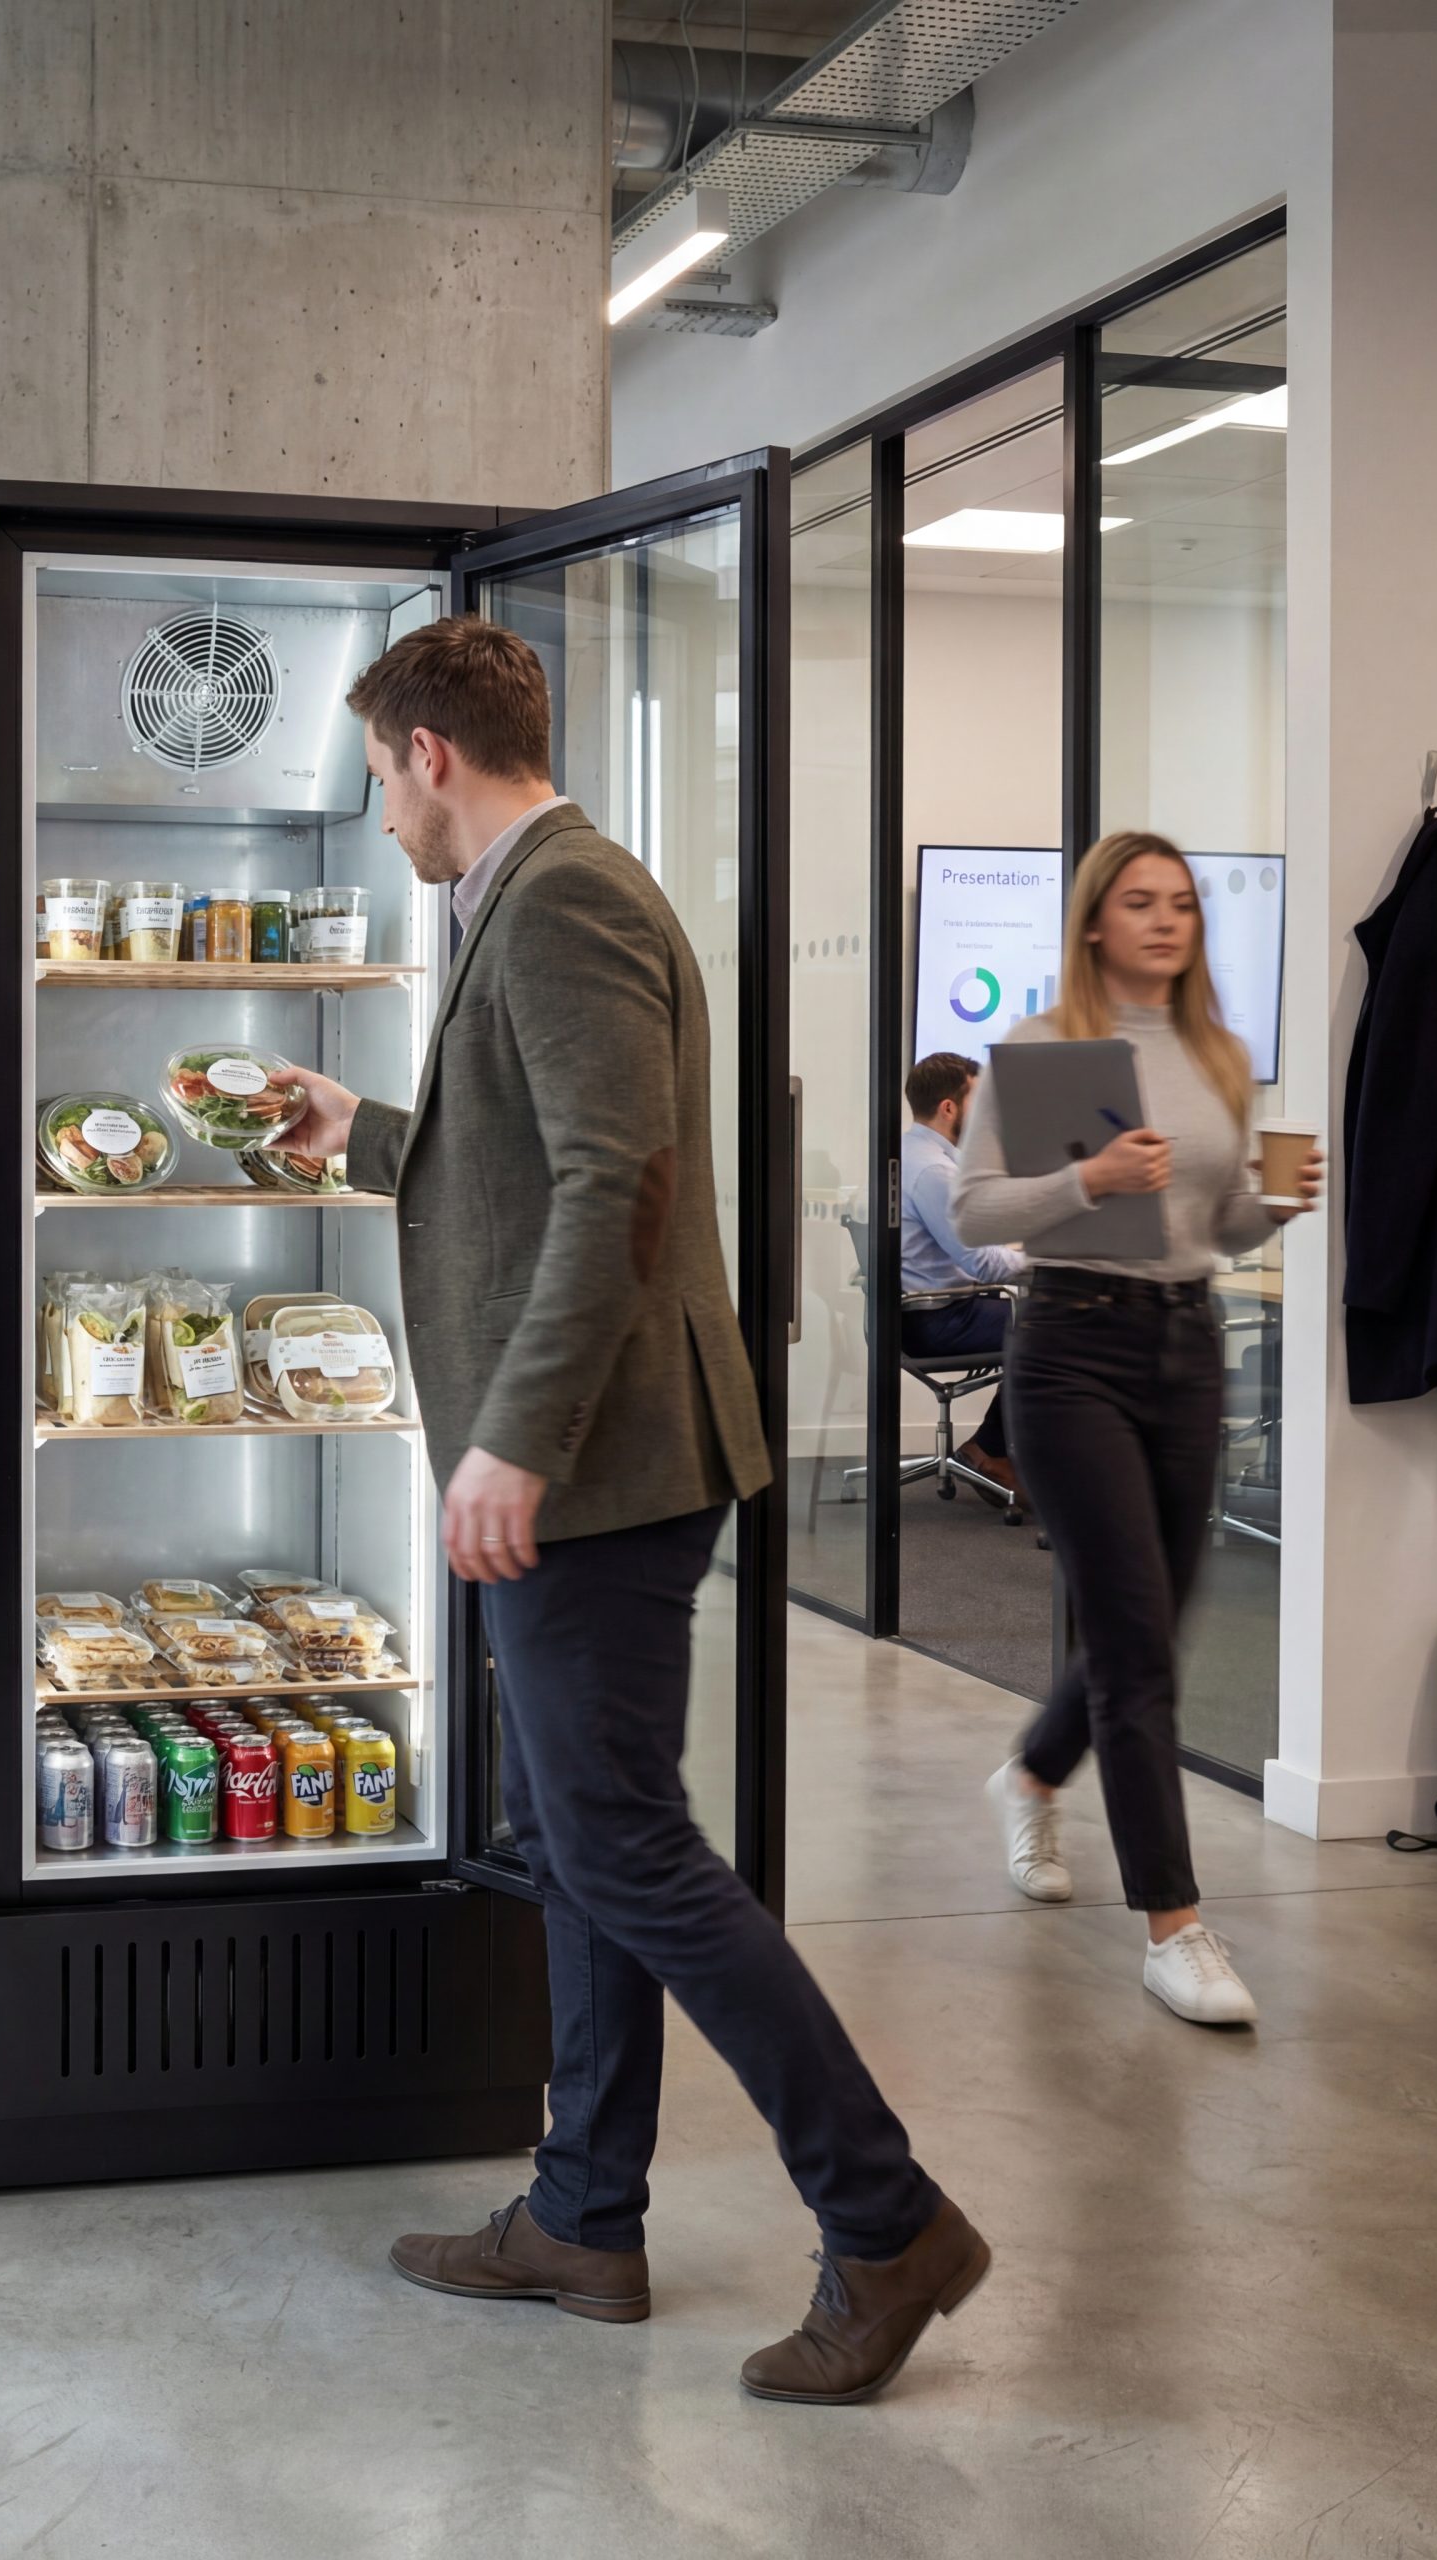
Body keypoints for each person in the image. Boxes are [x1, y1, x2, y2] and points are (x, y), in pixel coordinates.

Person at [282, 616, 987, 2404]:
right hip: (598, 1456)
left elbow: (618, 1179)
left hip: (599, 1461)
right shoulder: (540, 896)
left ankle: (888, 2219)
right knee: (590, 1842)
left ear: (433, 755)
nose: (381, 818)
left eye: (378, 780)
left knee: (632, 1854)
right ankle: (586, 2217)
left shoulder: (570, 898)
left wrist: (512, 1439)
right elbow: (528, 1152)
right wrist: (361, 1130)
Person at [953, 831, 1321, 2026]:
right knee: (1133, 1647)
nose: (1166, 921)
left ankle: (1031, 1770)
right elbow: (975, 1212)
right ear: (1095, 922)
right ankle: (1174, 1924)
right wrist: (1090, 1181)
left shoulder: (1219, 1056)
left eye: (1181, 904)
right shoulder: (1047, 1052)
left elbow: (1214, 1224)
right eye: (1139, 902)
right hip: (1068, 1348)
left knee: (1151, 1628)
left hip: (1182, 1343)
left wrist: (1271, 1202)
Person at [899, 1051, 1026, 1499]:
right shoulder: (935, 1171)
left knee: (1040, 1320)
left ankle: (993, 1451)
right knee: (1054, 1329)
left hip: (923, 1313)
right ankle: (989, 1451)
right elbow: (984, 1264)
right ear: (949, 1107)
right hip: (938, 1322)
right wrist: (1046, 1259)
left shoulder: (907, 1153)